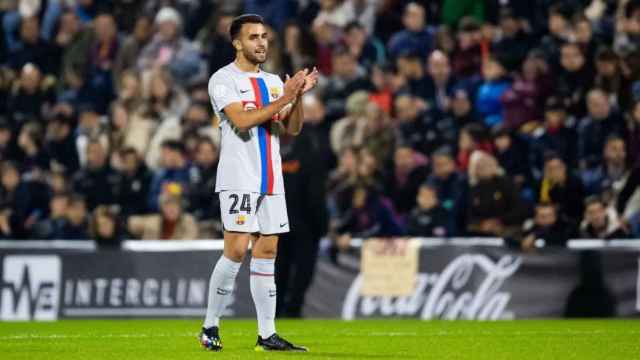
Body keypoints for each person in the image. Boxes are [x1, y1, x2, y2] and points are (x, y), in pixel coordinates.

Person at [199, 14, 317, 352]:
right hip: (239, 176)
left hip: (271, 177)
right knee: (236, 250)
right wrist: (285, 96)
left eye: (264, 36)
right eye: (253, 37)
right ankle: (210, 326)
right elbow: (243, 120)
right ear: (237, 42)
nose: (261, 42)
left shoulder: (273, 82)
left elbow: (291, 128)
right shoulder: (223, 80)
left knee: (267, 252)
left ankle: (267, 334)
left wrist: (299, 96)